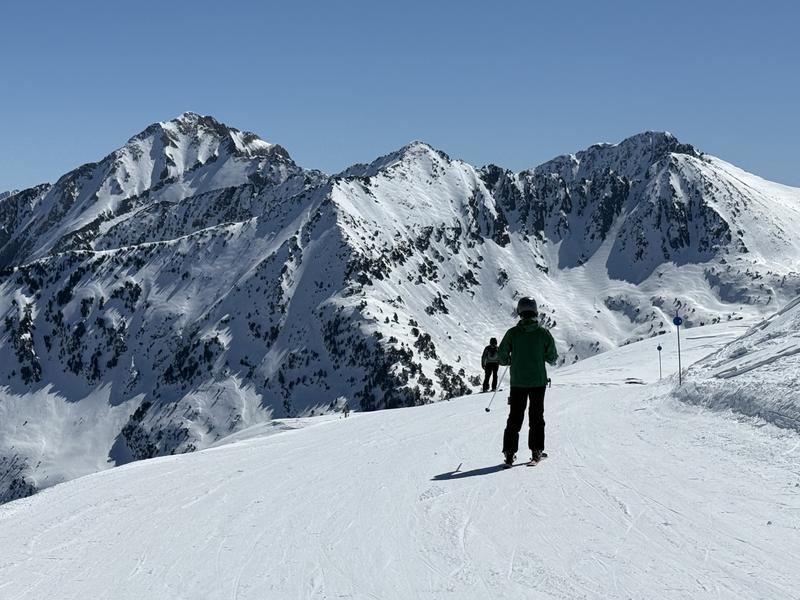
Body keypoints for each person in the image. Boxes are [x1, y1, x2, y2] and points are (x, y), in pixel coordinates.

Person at [497, 296, 558, 467]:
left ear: (519, 313)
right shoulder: (543, 333)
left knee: (514, 418)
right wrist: (540, 357)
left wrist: (512, 360)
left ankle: (509, 454)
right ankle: (536, 452)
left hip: (517, 382)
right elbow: (553, 357)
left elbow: (501, 357)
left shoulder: (512, 333)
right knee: (536, 417)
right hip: (538, 382)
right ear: (535, 312)